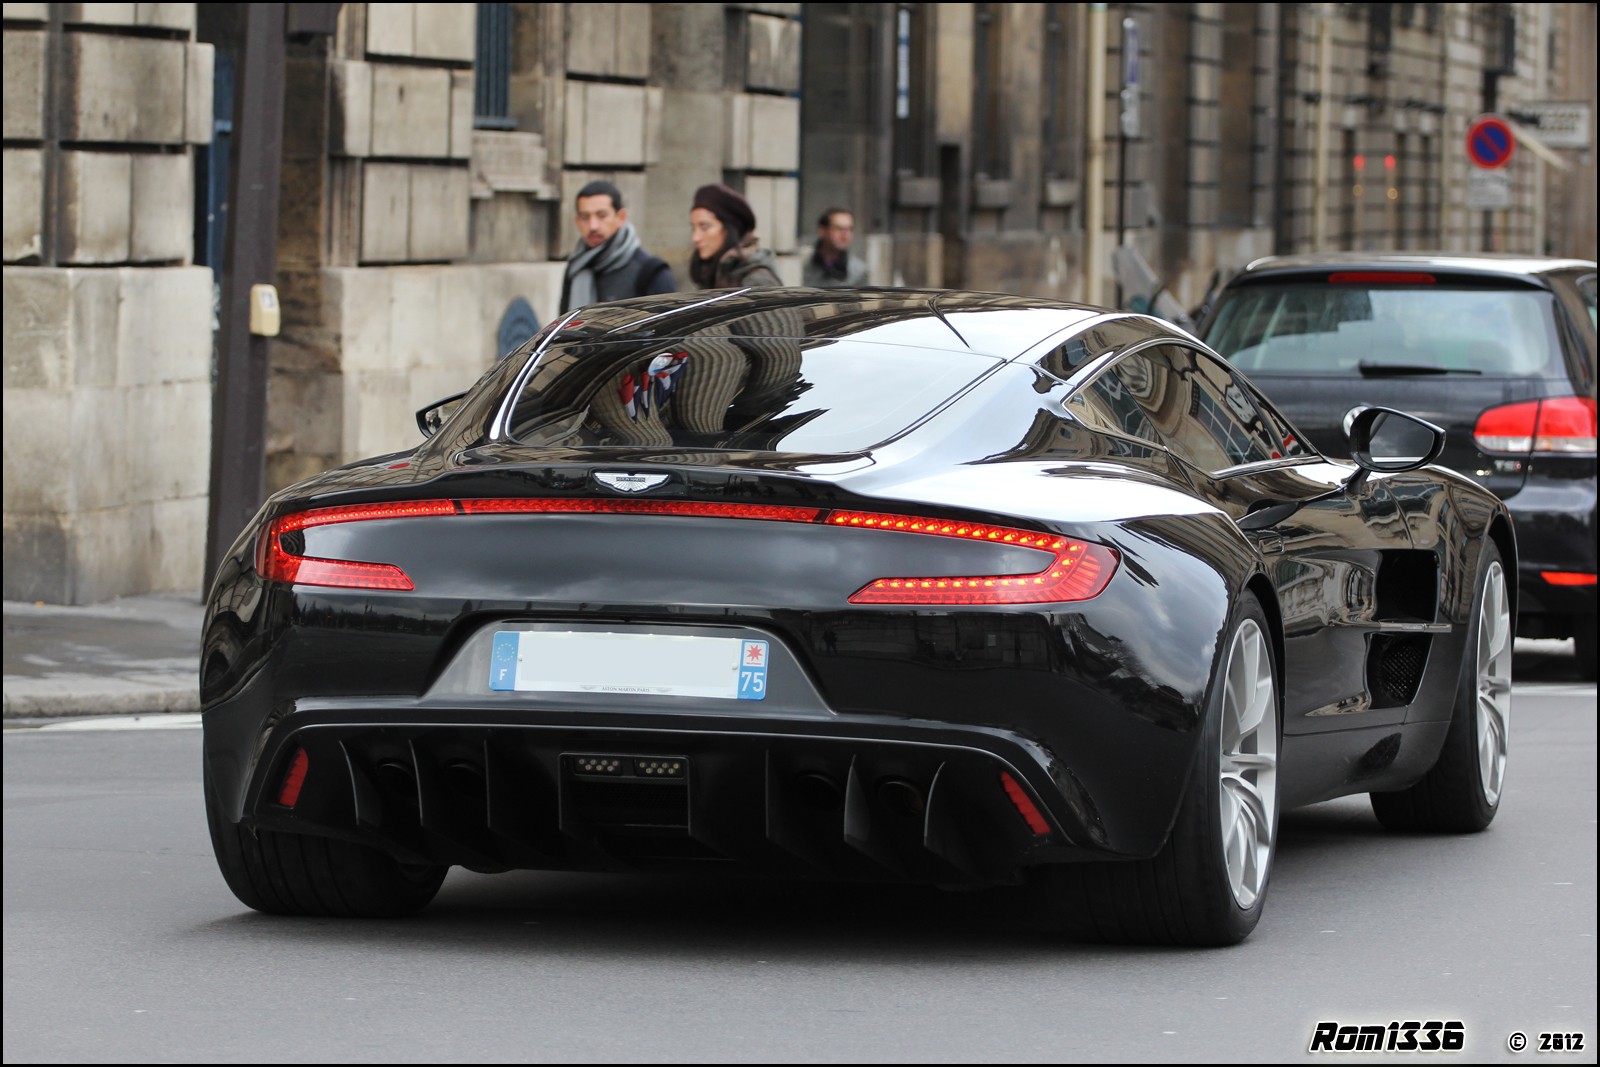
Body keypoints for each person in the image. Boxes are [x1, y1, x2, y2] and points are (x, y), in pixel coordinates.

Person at [559, 180, 676, 312]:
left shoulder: (651, 270)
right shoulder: (576, 267)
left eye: (601, 216)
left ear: (621, 217)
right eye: (585, 217)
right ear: (577, 221)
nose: (593, 226)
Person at [688, 183, 782, 290]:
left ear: (730, 229)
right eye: (693, 228)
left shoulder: (757, 280)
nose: (695, 238)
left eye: (705, 227)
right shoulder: (712, 272)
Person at [802, 207, 869, 288]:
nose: (845, 235)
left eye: (850, 229)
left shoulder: (858, 271)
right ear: (823, 231)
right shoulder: (803, 263)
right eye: (839, 229)